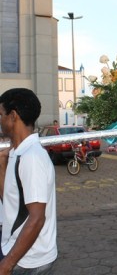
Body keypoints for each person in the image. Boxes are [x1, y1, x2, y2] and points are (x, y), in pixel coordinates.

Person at [0, 88, 57, 274]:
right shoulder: (18, 153)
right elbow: (11, 201)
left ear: (13, 116)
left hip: (28, 261)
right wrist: (2, 165)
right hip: (14, 249)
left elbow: (37, 218)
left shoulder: (31, 157)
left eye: (1, 114)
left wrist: (7, 265)